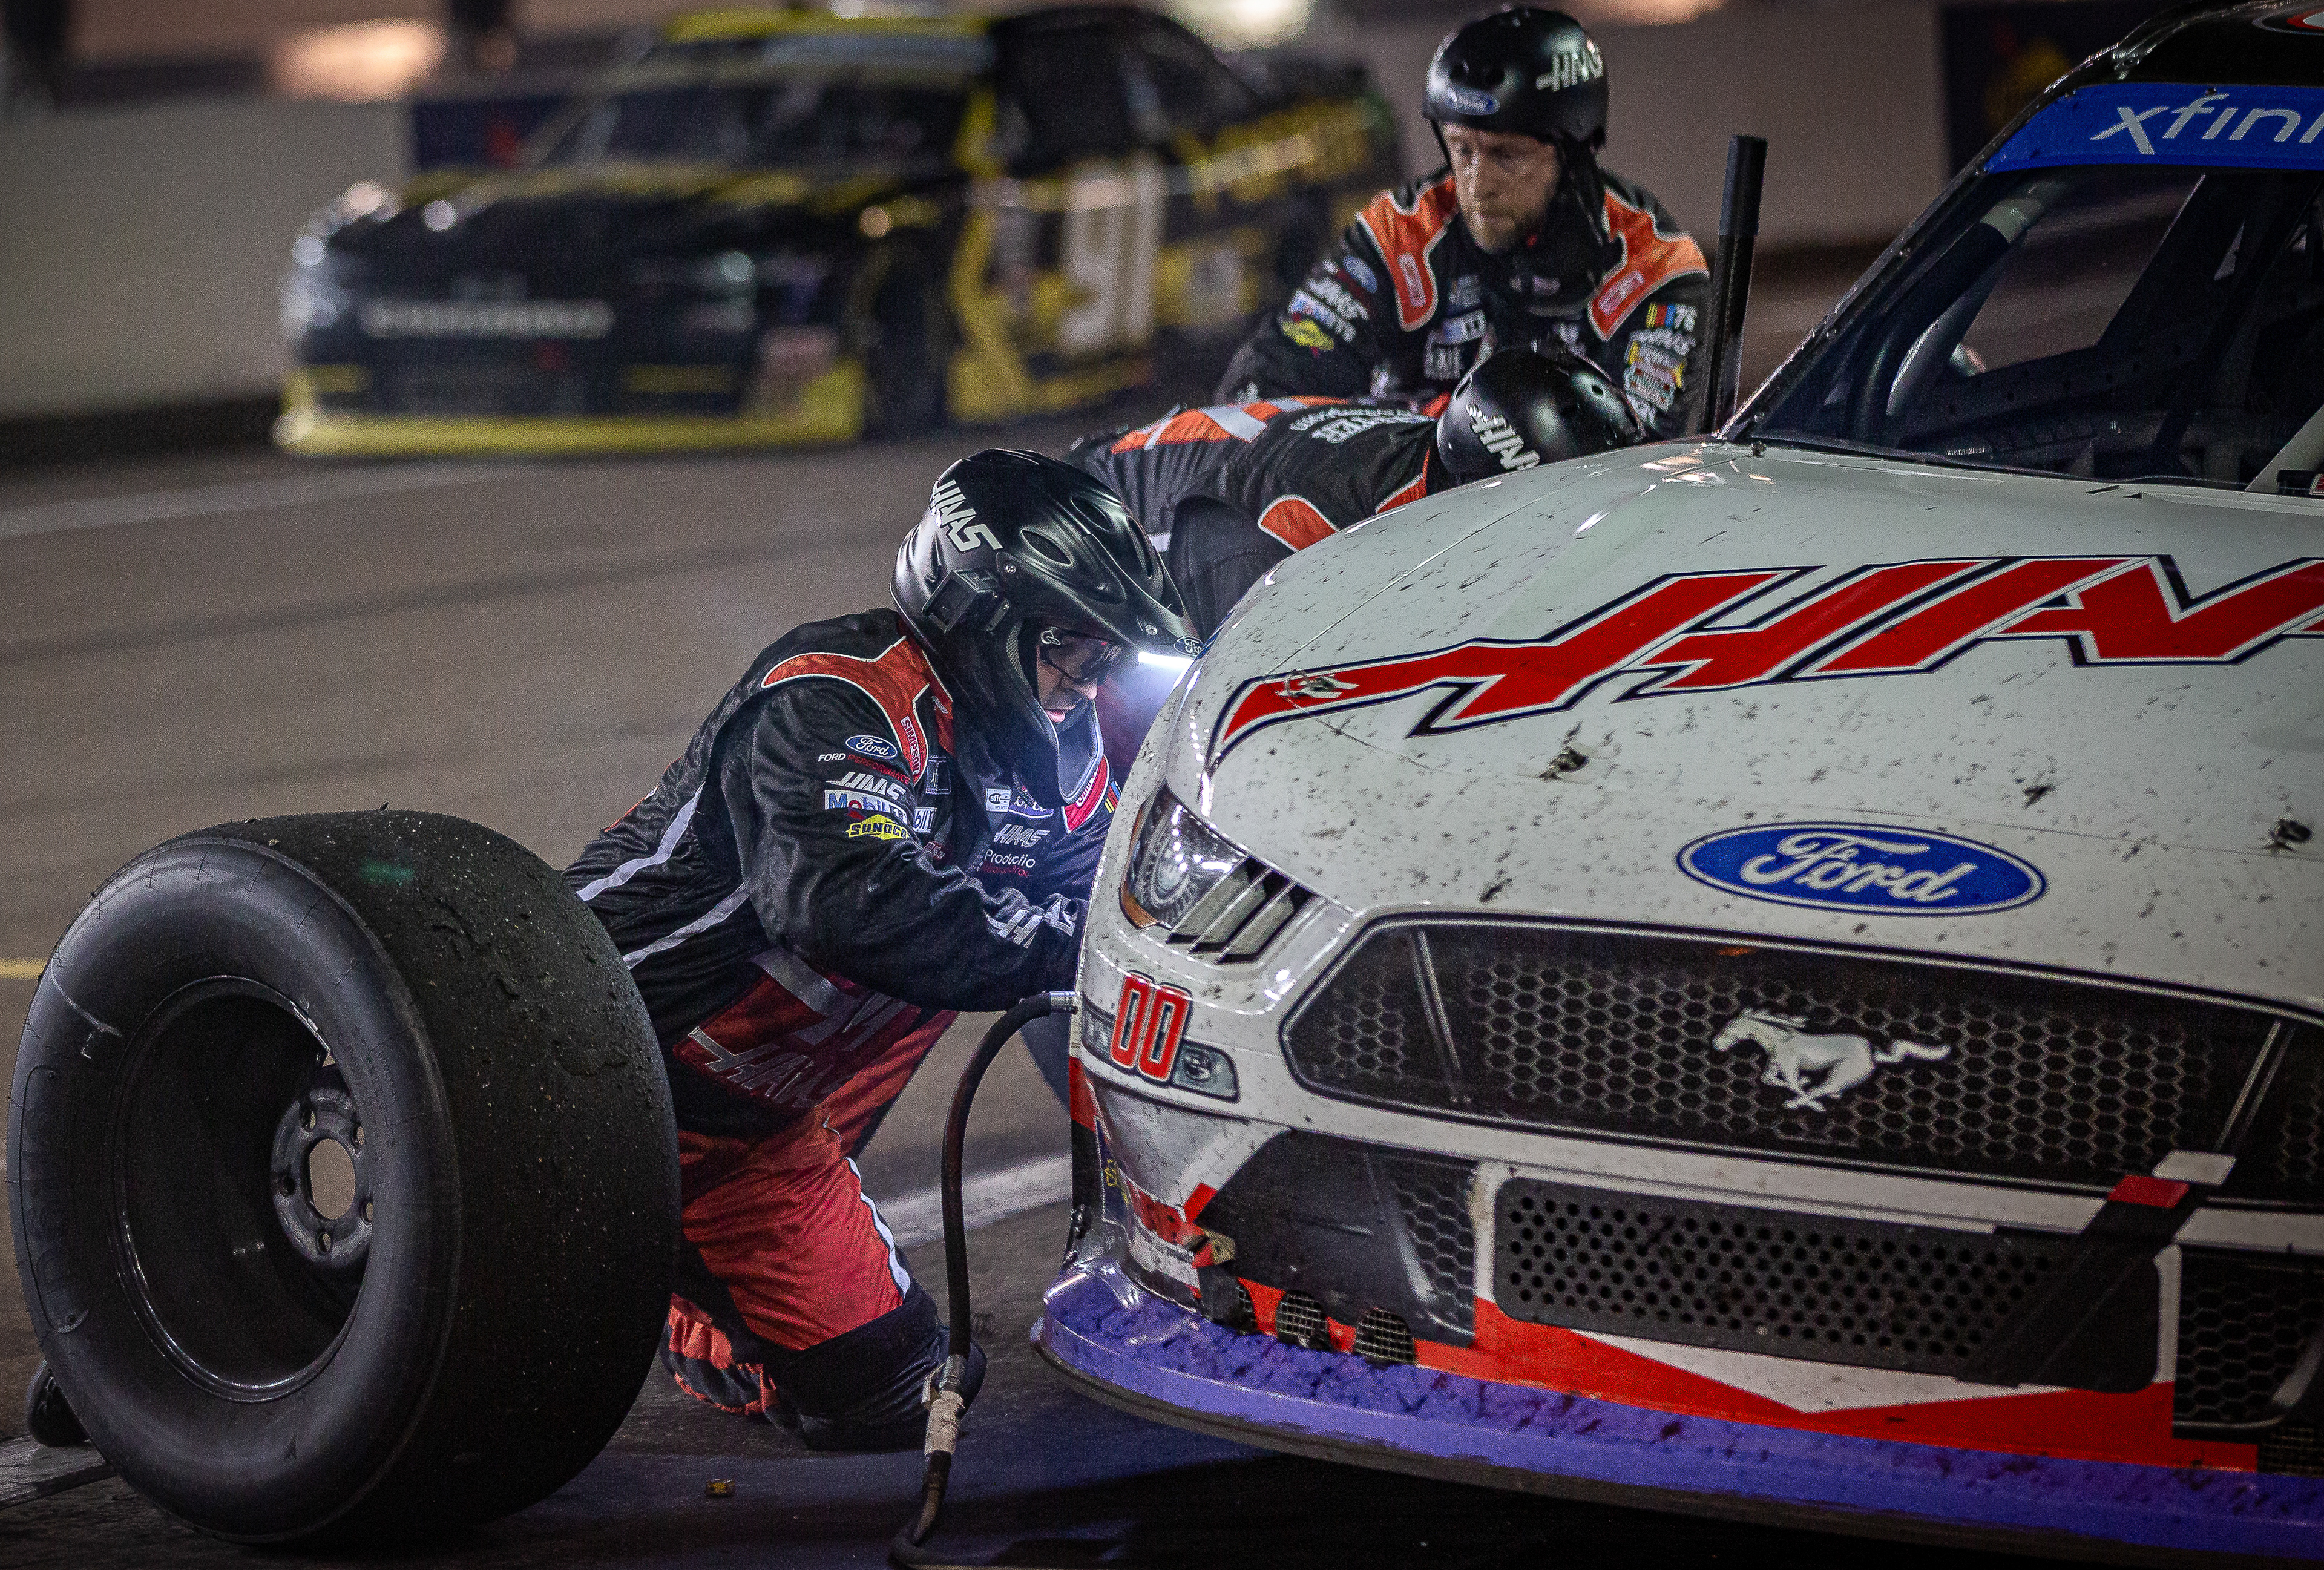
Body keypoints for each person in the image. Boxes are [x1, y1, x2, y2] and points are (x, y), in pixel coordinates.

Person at [565, 450, 1196, 1448]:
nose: (1092, 675)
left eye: (1109, 651)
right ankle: (620, 1258)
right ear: (983, 612)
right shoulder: (835, 693)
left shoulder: (1067, 759)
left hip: (750, 1135)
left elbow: (1106, 908)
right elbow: (848, 906)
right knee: (953, 933)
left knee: (891, 1391)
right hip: (579, 1069)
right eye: (1072, 642)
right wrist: (1090, 933)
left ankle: (703, 1300)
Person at [1215, 7, 1708, 439]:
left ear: (1573, 154)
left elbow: (1630, 457)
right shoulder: (1400, 230)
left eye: (1506, 156)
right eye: (1462, 149)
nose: (1477, 184)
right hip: (1393, 515)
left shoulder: (1655, 267)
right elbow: (1267, 384)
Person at [1078, 345, 1637, 638]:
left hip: (1206, 481)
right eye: (1551, 525)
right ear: (1484, 490)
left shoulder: (1444, 449)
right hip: (1088, 525)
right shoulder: (1300, 532)